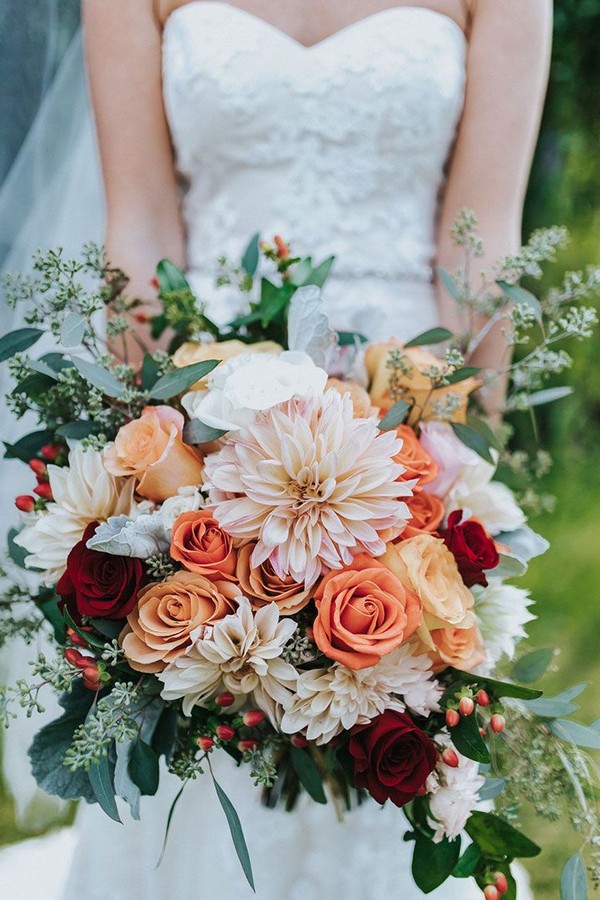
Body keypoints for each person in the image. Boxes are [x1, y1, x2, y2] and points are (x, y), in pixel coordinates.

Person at [0, 1, 552, 897]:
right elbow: (139, 227)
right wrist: (163, 471)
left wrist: (436, 464)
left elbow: (484, 250)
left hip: (401, 416)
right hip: (202, 408)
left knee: (392, 739)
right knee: (205, 725)